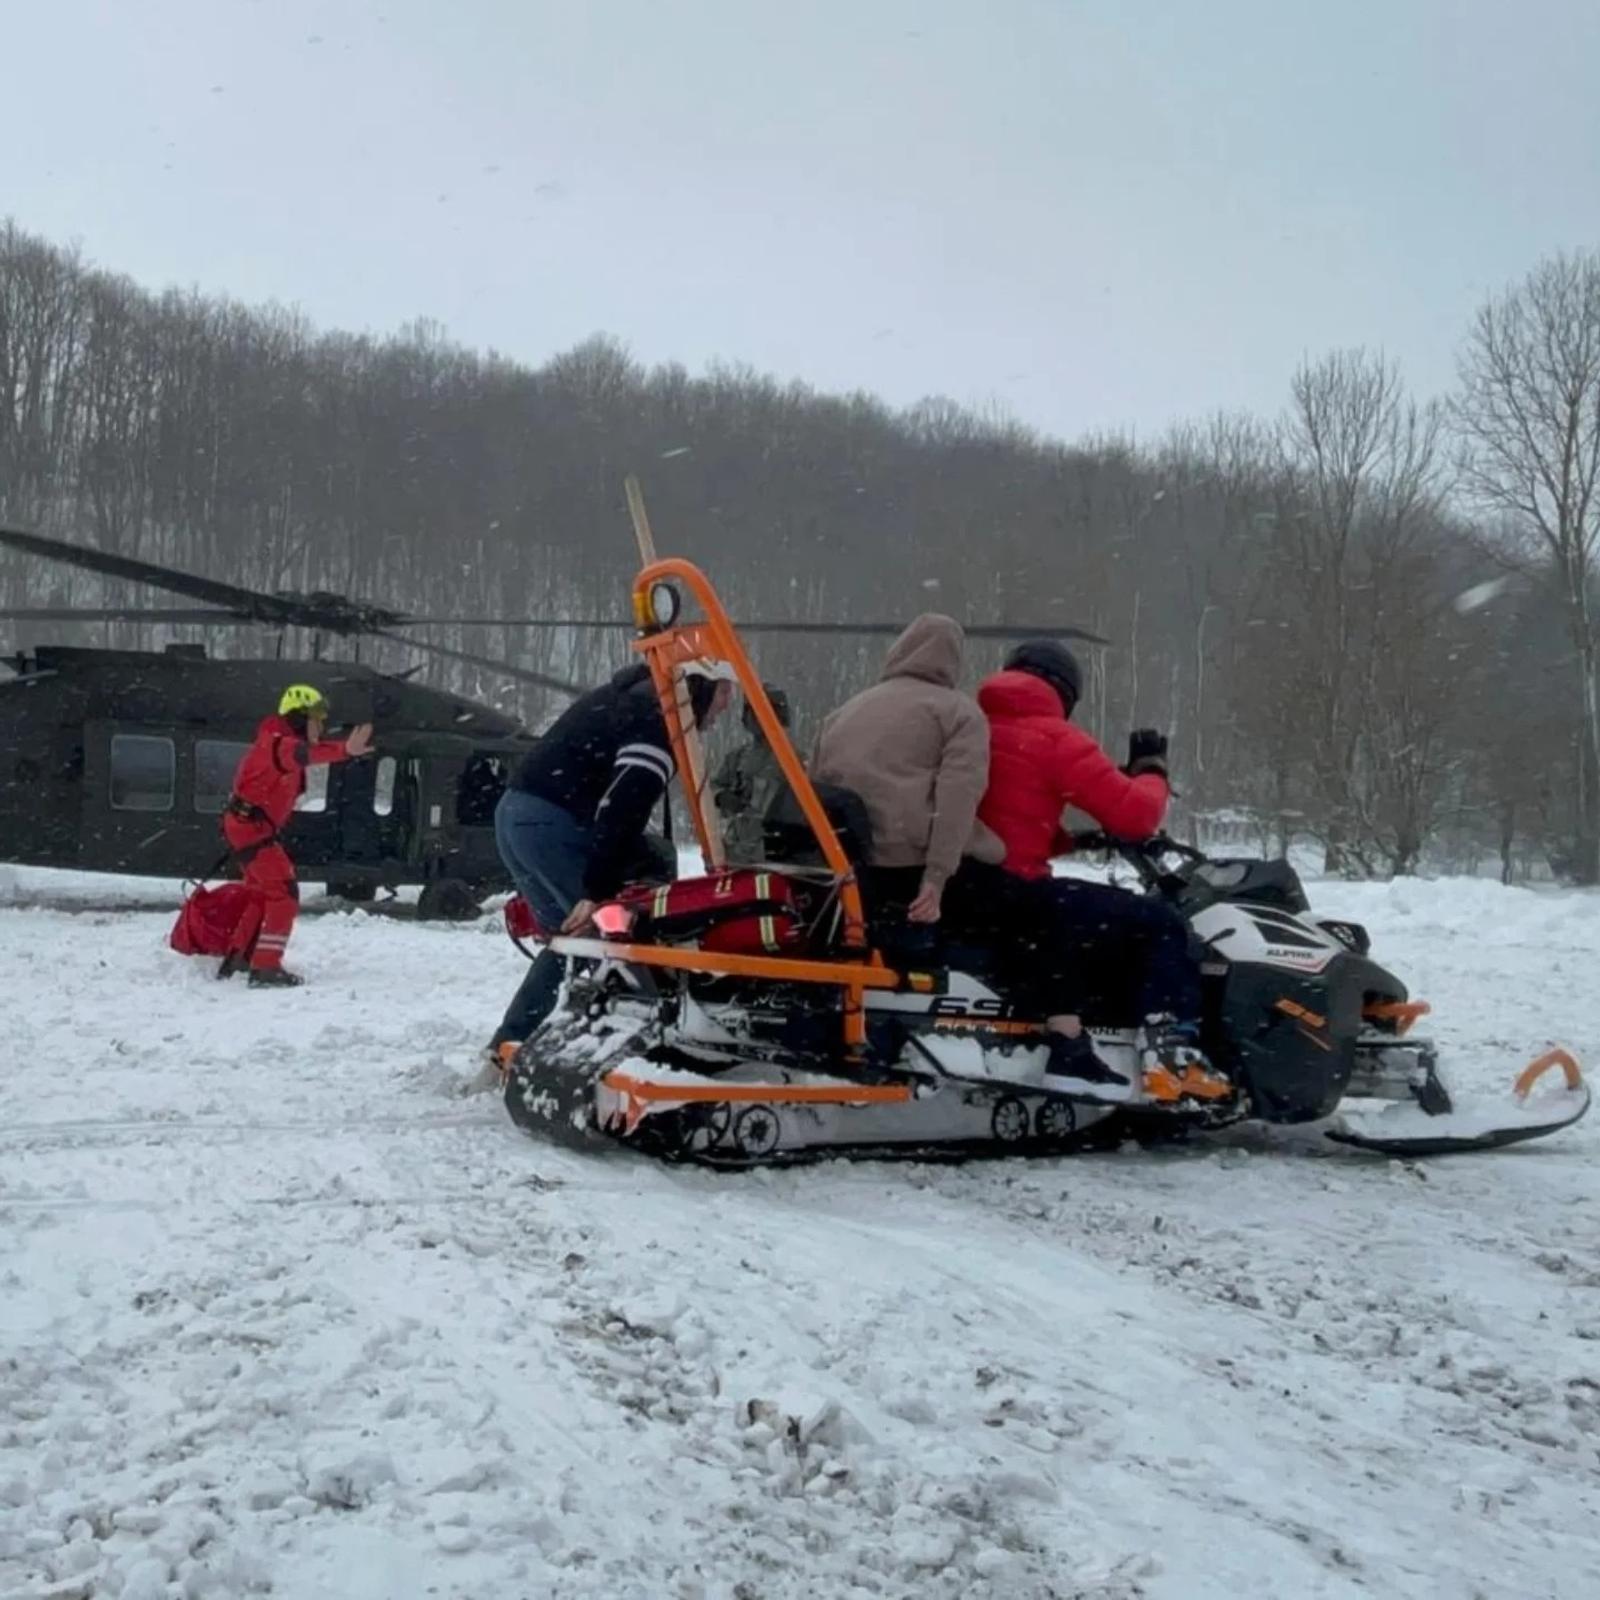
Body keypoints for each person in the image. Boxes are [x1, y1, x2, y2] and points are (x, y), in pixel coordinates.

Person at [974, 638, 1216, 1101]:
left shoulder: (972, 725)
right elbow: (1137, 815)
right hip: (1016, 892)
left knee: (1078, 914)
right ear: (1064, 692)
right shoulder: (1053, 736)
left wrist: (1076, 839)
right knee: (1160, 925)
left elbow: (1005, 814)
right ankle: (1170, 1054)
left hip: (967, 886)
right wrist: (1152, 771)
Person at [487, 657, 736, 1060]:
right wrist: (596, 890)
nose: (726, 705)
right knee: (617, 935)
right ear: (700, 686)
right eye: (724, 690)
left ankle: (509, 1046)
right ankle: (642, 1053)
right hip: (552, 824)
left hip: (517, 816)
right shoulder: (658, 719)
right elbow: (623, 806)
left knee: (572, 945)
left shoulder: (630, 700)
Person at [811, 614, 999, 930]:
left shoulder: (845, 711)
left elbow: (813, 787)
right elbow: (957, 799)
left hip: (845, 862)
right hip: (907, 866)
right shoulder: (960, 713)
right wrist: (936, 878)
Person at [220, 684, 375, 987]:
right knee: (284, 893)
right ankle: (265, 967)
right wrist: (345, 750)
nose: (322, 726)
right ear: (298, 717)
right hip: (250, 829)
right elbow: (303, 755)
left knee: (261, 893)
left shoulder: (275, 741)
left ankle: (240, 956)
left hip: (250, 827)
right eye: (317, 719)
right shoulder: (278, 744)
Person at [712, 683, 791, 866]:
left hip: (776, 852)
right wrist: (721, 797)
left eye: (762, 711)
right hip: (737, 849)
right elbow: (711, 788)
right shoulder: (736, 758)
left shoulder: (793, 760)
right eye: (752, 711)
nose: (756, 718)